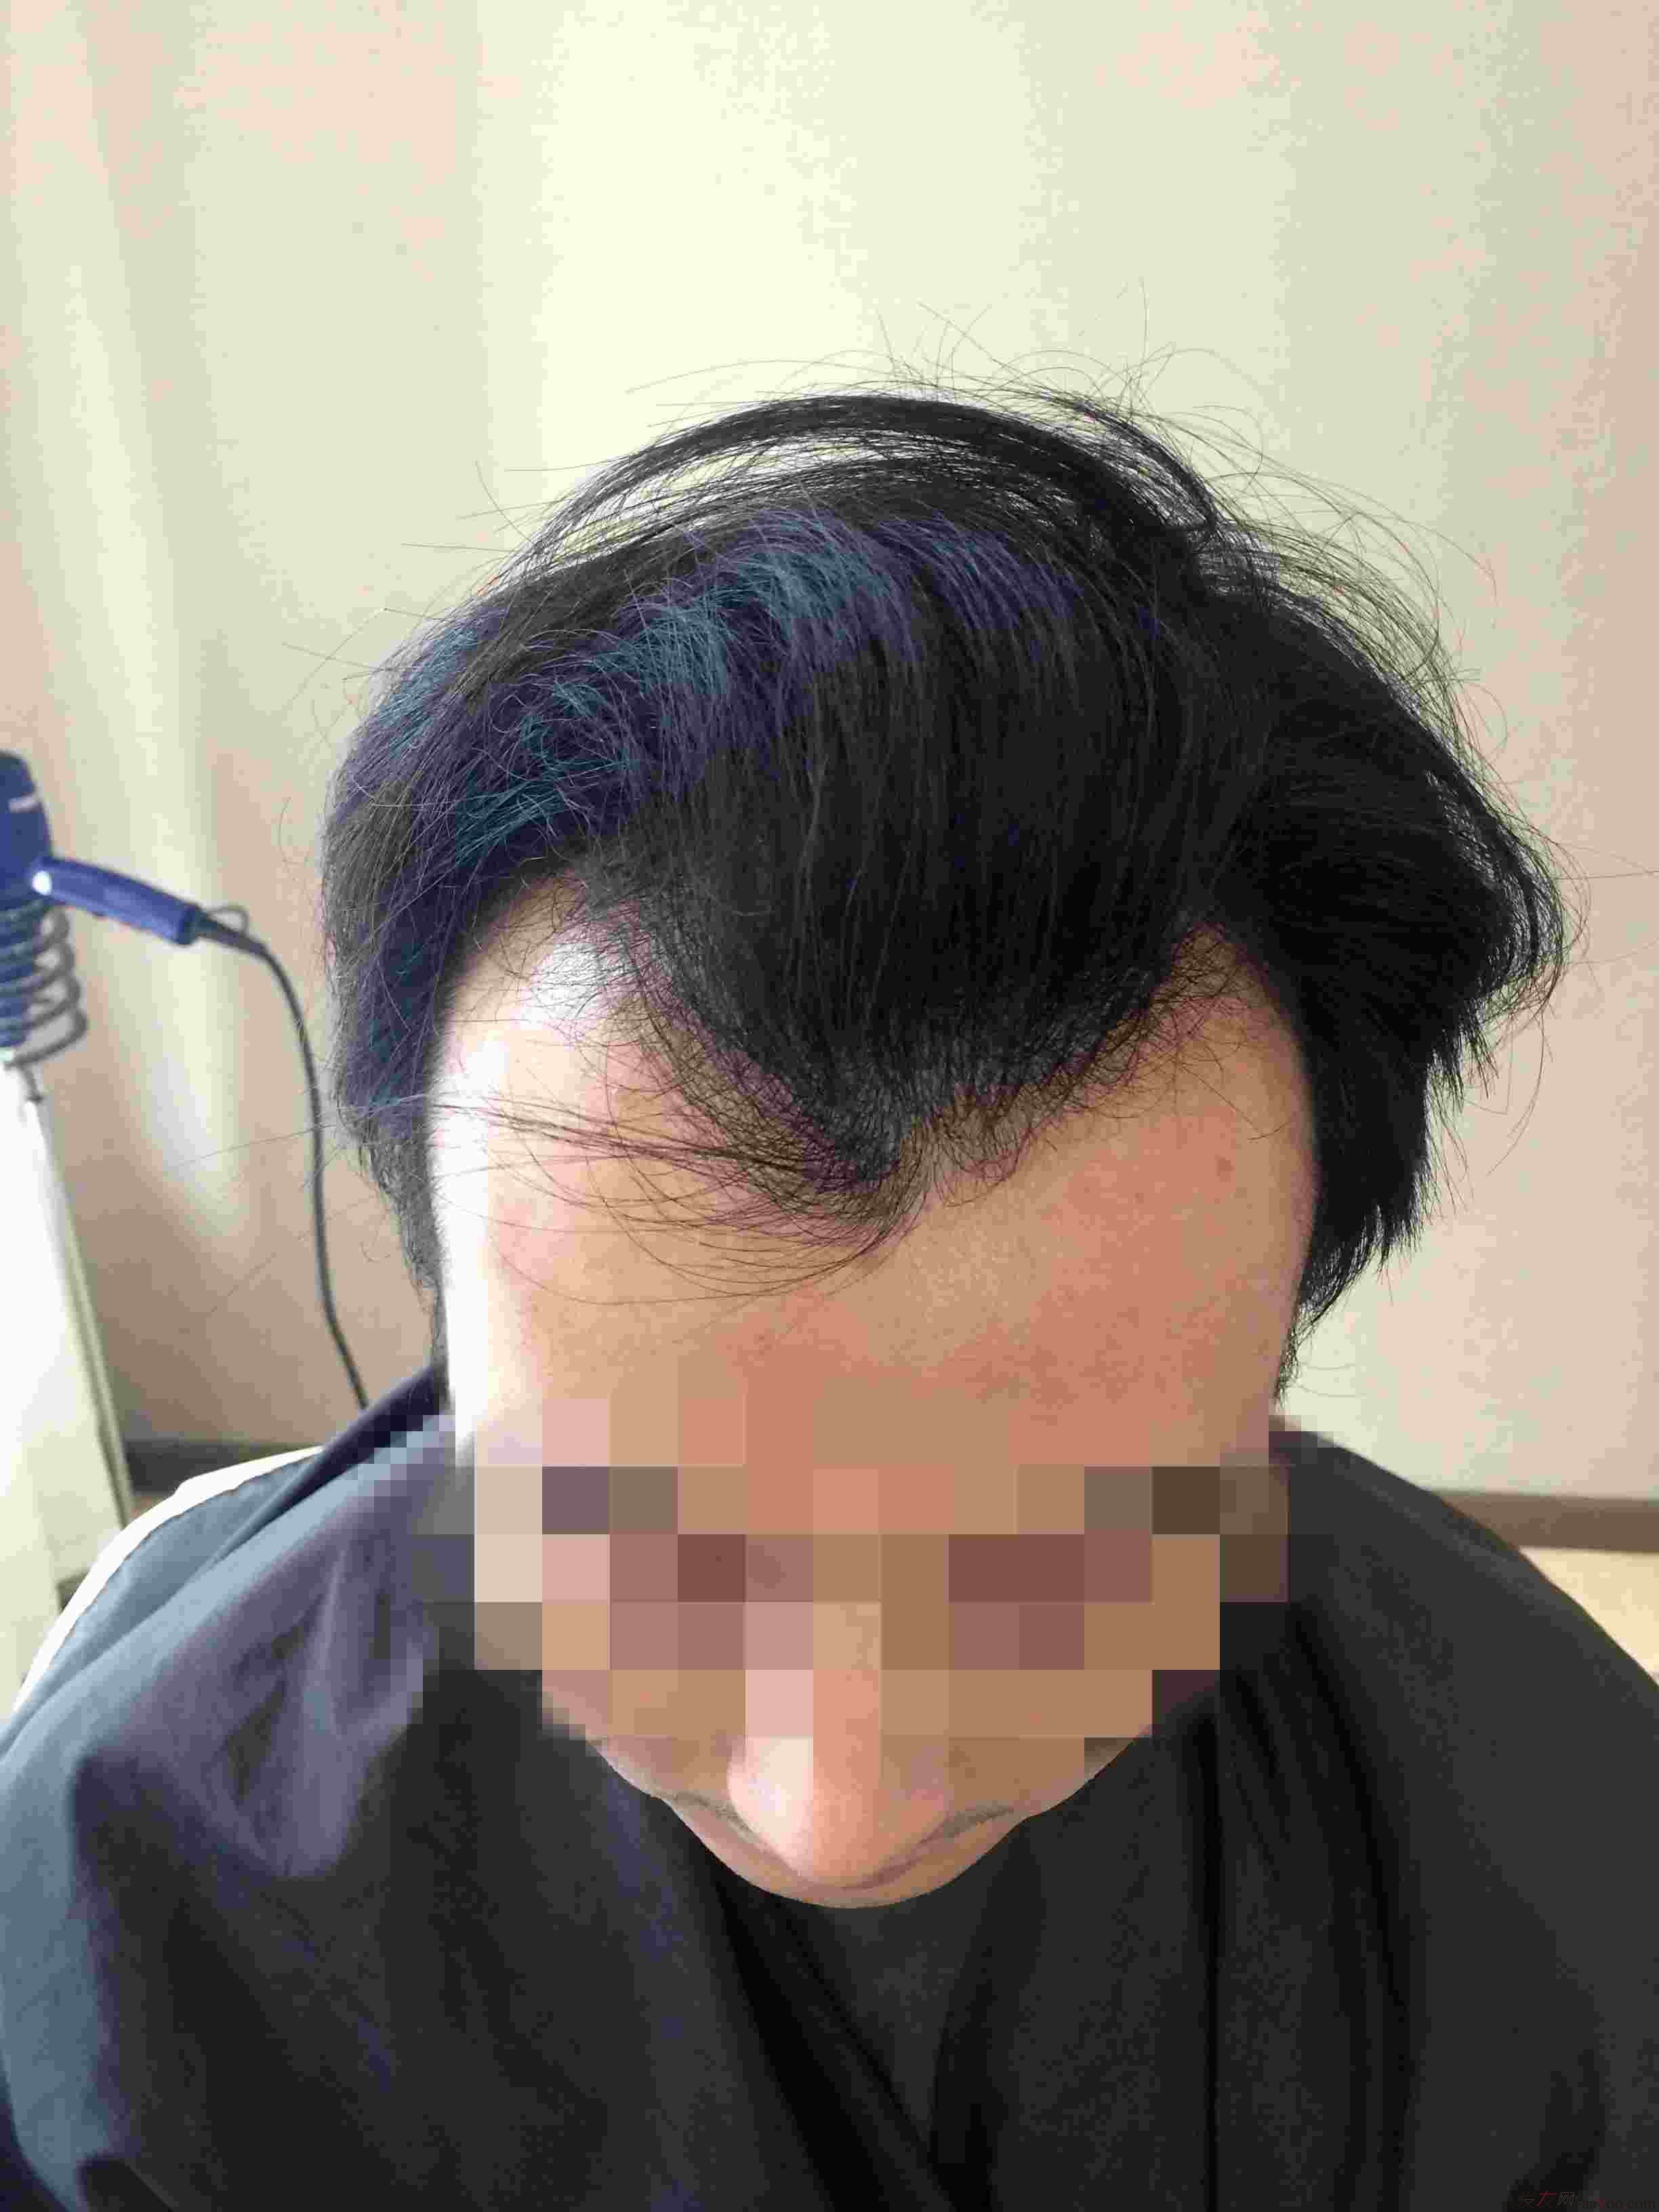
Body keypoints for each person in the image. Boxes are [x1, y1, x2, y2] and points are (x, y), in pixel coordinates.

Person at [2, 369, 1653, 2209]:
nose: (837, 1809)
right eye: (627, 1540)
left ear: (1273, 1368)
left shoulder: (1559, 1841)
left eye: (1061, 1563)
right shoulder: (135, 1899)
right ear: (449, 1334)